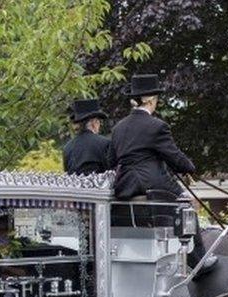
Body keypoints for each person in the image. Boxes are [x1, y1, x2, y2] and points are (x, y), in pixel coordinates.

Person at [109, 73, 214, 274]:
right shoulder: (157, 126)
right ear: (150, 99)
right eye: (156, 99)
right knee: (185, 203)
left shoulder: (118, 128)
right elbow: (173, 156)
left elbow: (111, 161)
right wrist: (190, 168)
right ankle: (198, 259)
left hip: (124, 184)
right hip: (150, 182)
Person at [63, 98, 112, 175]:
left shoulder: (68, 147)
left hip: (75, 186)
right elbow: (111, 172)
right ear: (94, 122)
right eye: (99, 122)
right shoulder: (105, 143)